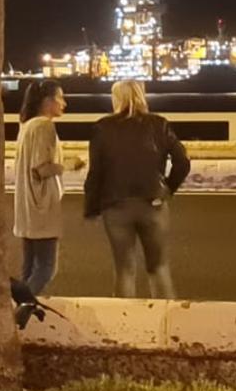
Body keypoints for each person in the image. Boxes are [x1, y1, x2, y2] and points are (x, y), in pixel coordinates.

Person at [84, 80, 191, 299]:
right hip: (153, 202)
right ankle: (166, 321)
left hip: (115, 205)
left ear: (116, 98)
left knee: (124, 269)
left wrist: (92, 207)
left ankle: (126, 324)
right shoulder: (159, 124)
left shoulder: (102, 127)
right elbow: (182, 162)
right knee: (158, 266)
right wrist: (167, 189)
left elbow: (96, 172)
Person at [13, 80, 77, 296]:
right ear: (47, 101)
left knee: (29, 266)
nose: (64, 103)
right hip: (41, 205)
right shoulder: (44, 126)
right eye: (60, 98)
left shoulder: (26, 125)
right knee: (46, 268)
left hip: (26, 206)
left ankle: (16, 305)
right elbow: (41, 169)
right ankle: (22, 308)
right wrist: (69, 165)